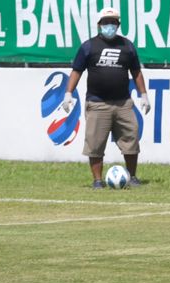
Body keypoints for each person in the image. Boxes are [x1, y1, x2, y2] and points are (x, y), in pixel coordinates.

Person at [61, 7, 150, 189]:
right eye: (106, 22)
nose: (109, 25)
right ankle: (97, 181)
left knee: (131, 140)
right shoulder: (88, 46)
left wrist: (144, 95)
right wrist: (68, 93)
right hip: (97, 103)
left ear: (118, 25)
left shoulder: (127, 46)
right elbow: (77, 70)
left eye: (113, 22)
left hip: (123, 103)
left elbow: (136, 72)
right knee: (95, 144)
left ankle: (132, 177)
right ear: (99, 25)